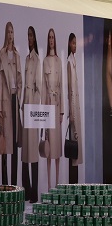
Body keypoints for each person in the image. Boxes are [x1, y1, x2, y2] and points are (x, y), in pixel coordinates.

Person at [0, 21, 20, 186]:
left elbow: (20, 80)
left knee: (14, 144)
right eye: (8, 32)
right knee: (4, 143)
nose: (10, 35)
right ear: (6, 34)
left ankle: (15, 184)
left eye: (12, 32)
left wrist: (19, 93)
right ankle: (5, 183)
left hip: (14, 99)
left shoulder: (17, 55)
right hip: (4, 101)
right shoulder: (1, 54)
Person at [21, 26, 42, 202]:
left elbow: (38, 87)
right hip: (25, 106)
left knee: (33, 151)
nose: (29, 38)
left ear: (35, 38)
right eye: (27, 35)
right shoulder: (27, 59)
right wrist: (22, 105)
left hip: (32, 109)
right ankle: (26, 190)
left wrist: (33, 107)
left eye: (31, 35)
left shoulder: (36, 59)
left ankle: (34, 192)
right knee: (25, 152)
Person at [41, 28, 63, 192]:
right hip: (48, 104)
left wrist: (61, 111)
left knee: (57, 148)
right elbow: (42, 87)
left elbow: (61, 86)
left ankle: (57, 182)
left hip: (57, 106)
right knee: (48, 147)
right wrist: (43, 111)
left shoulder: (59, 61)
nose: (51, 40)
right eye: (49, 37)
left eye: (53, 37)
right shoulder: (45, 61)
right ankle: (49, 185)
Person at [67, 31, 82, 184]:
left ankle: (75, 181)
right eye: (73, 43)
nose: (75, 45)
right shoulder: (69, 62)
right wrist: (71, 112)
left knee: (76, 147)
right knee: (73, 146)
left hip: (76, 108)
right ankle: (72, 182)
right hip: (73, 110)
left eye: (76, 43)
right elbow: (70, 90)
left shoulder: (74, 61)